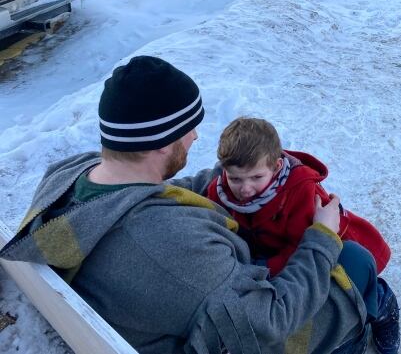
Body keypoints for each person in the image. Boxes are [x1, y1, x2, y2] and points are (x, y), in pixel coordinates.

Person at [0, 56, 374, 354]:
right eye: (189, 128)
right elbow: (268, 322)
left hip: (141, 304)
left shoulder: (73, 174)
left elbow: (160, 193)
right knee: (356, 262)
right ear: (163, 141)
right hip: (231, 330)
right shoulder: (171, 247)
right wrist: (322, 237)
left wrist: (235, 177)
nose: (196, 136)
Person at [205, 117, 400, 354]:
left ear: (276, 167)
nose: (245, 189)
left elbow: (303, 247)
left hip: (326, 248)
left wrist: (262, 268)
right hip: (272, 256)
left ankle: (382, 306)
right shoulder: (220, 191)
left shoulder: (300, 192)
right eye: (236, 178)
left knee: (347, 286)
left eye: (256, 178)